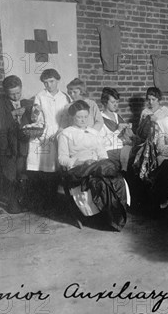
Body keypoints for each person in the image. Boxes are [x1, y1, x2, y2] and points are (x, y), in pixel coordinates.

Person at [58, 100, 129, 231]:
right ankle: (109, 219)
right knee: (100, 182)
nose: (83, 120)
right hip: (78, 169)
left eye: (85, 117)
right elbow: (62, 159)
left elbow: (102, 154)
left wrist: (100, 161)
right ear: (73, 117)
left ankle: (116, 218)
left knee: (117, 180)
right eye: (79, 117)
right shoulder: (66, 134)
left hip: (97, 165)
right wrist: (79, 162)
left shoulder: (93, 133)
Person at [26, 68, 72, 209]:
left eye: (51, 81)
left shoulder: (65, 97)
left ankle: (56, 200)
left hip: (60, 131)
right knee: (43, 167)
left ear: (58, 80)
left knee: (58, 167)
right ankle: (44, 202)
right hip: (44, 133)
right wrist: (36, 113)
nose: (49, 85)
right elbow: (36, 119)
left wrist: (60, 130)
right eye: (46, 83)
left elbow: (67, 116)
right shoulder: (40, 96)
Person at [0, 75, 32, 214]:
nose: (16, 96)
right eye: (12, 94)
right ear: (5, 93)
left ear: (21, 89)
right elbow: (0, 124)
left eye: (18, 92)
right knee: (9, 175)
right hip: (8, 146)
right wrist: (14, 113)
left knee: (21, 174)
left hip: (22, 145)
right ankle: (12, 204)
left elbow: (32, 115)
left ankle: (21, 201)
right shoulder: (0, 103)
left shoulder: (27, 102)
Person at [99, 87, 133, 170]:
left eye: (117, 102)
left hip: (123, 149)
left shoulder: (117, 116)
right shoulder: (100, 119)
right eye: (113, 102)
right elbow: (102, 143)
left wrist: (128, 130)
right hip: (111, 151)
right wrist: (118, 130)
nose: (116, 105)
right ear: (105, 102)